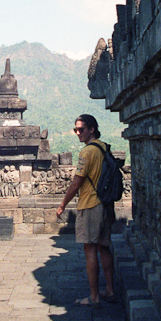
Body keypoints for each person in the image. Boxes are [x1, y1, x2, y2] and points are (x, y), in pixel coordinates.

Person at [56, 114, 115, 306]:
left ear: (92, 129)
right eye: (76, 129)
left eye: (81, 129)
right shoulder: (103, 147)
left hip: (90, 204)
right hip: (105, 203)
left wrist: (63, 204)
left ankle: (94, 296)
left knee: (90, 249)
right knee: (104, 246)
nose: (78, 133)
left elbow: (76, 183)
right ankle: (109, 289)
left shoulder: (87, 152)